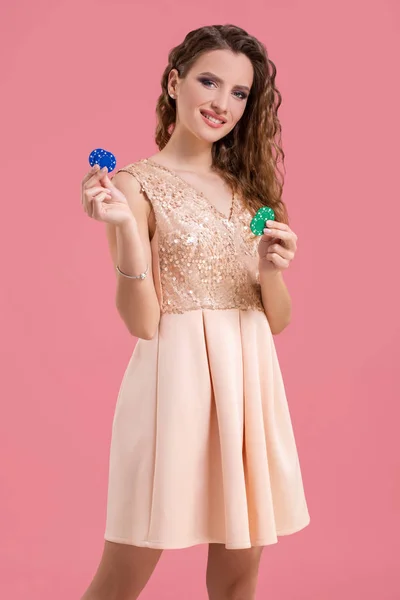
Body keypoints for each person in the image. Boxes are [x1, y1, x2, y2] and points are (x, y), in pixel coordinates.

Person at [79, 23, 310, 600]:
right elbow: (143, 323)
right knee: (123, 573)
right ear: (174, 82)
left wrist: (271, 268)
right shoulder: (134, 183)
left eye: (239, 93)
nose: (222, 103)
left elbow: (276, 320)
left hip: (249, 383)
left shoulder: (251, 190)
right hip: (174, 384)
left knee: (239, 576)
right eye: (209, 81)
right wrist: (129, 234)